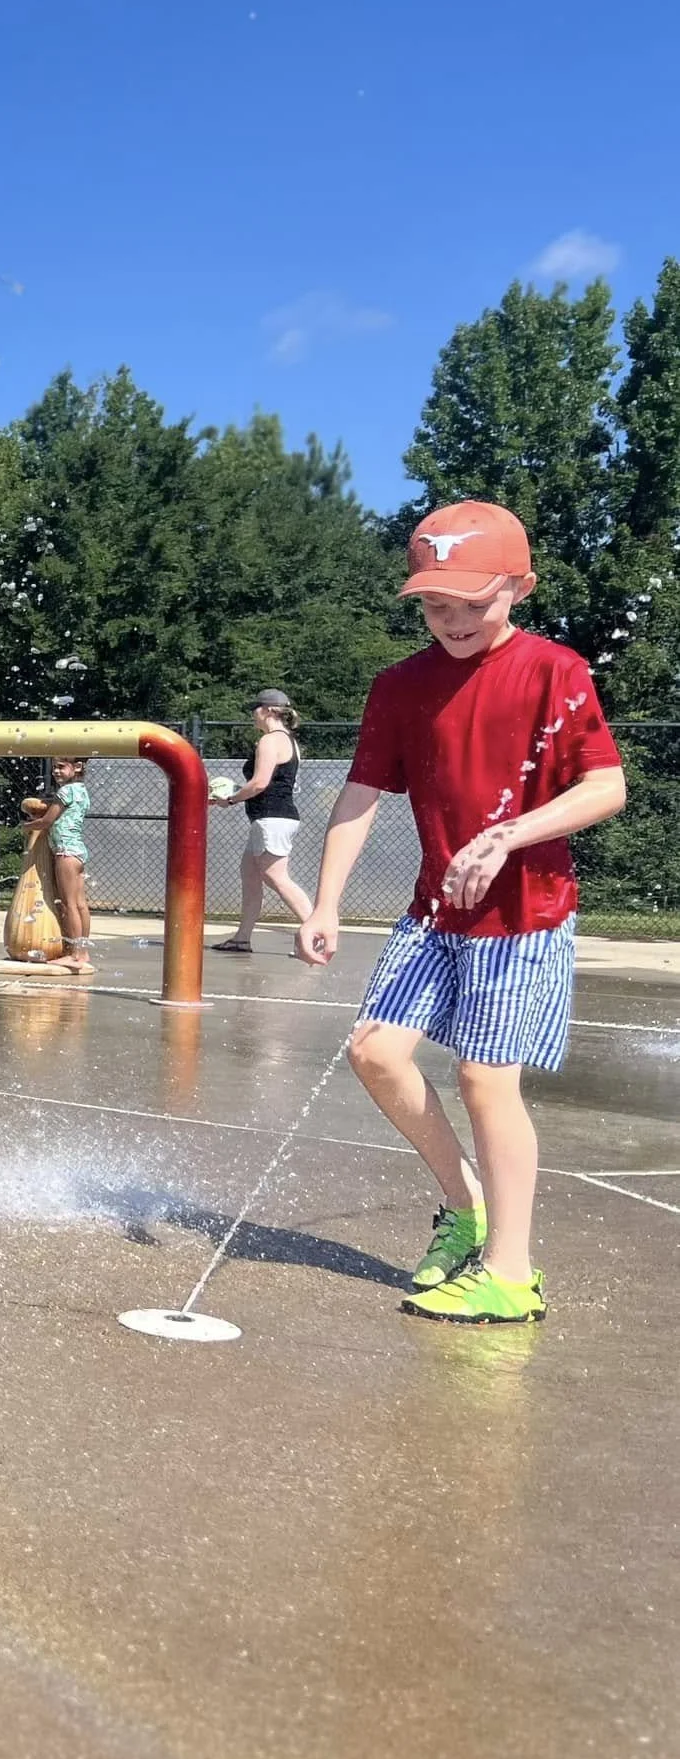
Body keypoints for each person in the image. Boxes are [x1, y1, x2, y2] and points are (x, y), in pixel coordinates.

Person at [296, 502, 625, 1325]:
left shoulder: (554, 671)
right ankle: (465, 1204)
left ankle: (511, 1274)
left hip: (525, 914)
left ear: (520, 587)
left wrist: (508, 836)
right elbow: (360, 795)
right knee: (375, 1053)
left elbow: (606, 786)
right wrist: (325, 901)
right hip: (434, 912)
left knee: (484, 1078)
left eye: (472, 602)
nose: (453, 619)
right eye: (436, 604)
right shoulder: (400, 686)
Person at [211, 690, 314, 952]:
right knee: (251, 875)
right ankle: (242, 938)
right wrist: (233, 793)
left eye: (255, 708)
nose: (252, 714)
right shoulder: (287, 740)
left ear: (268, 710)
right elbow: (268, 783)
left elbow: (259, 783)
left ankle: (316, 933)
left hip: (272, 818)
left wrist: (231, 799)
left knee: (276, 877)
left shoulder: (270, 740)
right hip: (272, 817)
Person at [27, 757, 93, 974]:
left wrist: (26, 826)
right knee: (80, 904)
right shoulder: (81, 790)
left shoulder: (65, 792)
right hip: (78, 851)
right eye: (54, 767)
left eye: (61, 767)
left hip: (65, 852)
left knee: (68, 904)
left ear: (77, 767)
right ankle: (83, 952)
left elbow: (47, 821)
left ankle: (74, 955)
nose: (56, 771)